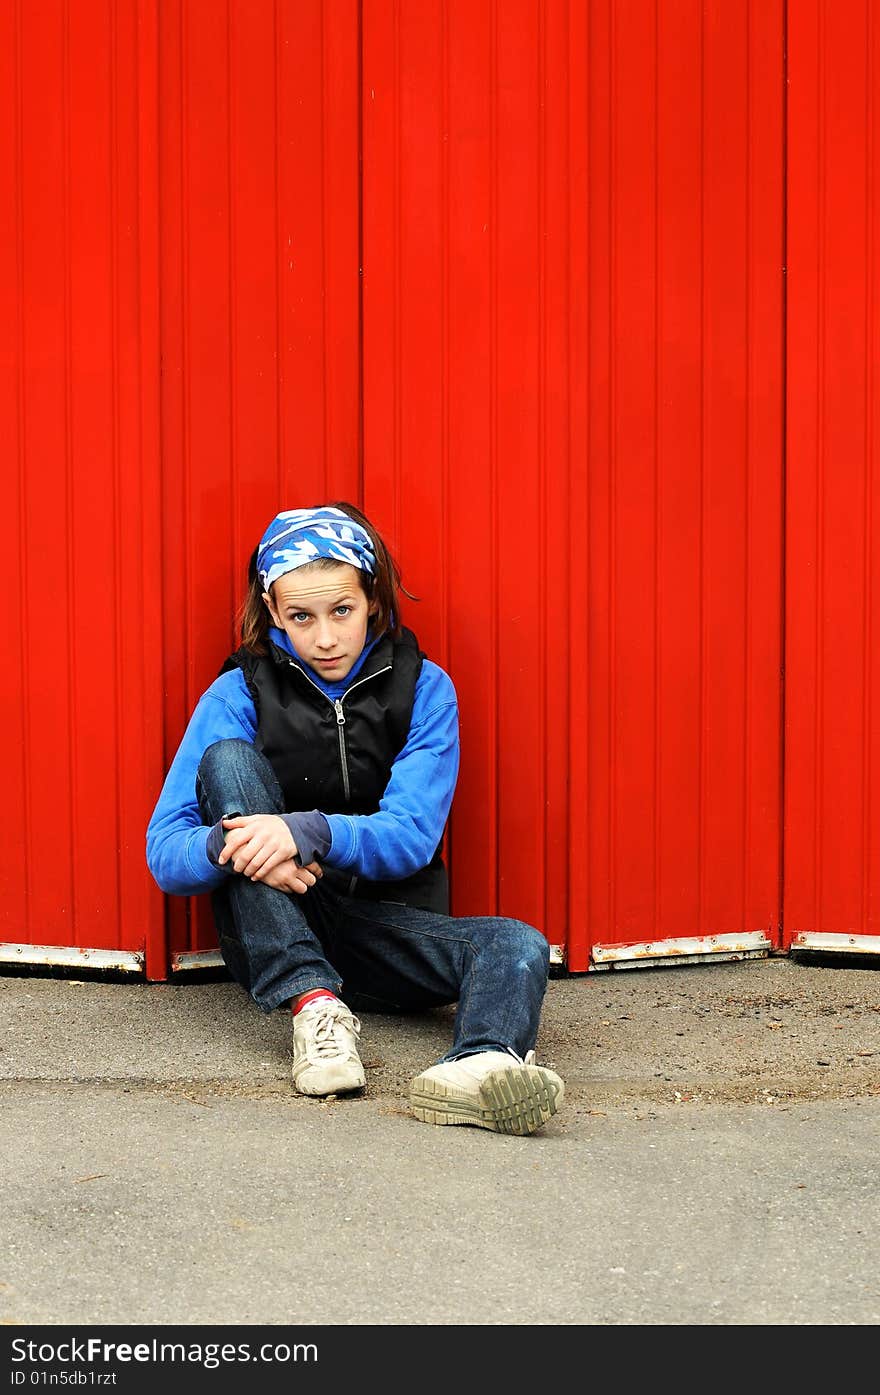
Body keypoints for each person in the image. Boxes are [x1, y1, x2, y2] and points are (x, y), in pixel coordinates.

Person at [146, 502, 564, 1135]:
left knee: (518, 943)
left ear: (372, 598)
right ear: (273, 613)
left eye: (341, 610)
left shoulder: (424, 687)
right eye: (300, 617)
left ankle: (481, 1064)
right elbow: (165, 851)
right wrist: (240, 845)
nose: (325, 638)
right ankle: (315, 1007)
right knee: (228, 761)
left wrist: (303, 831)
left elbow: (412, 837)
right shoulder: (239, 692)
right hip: (273, 926)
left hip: (385, 931)